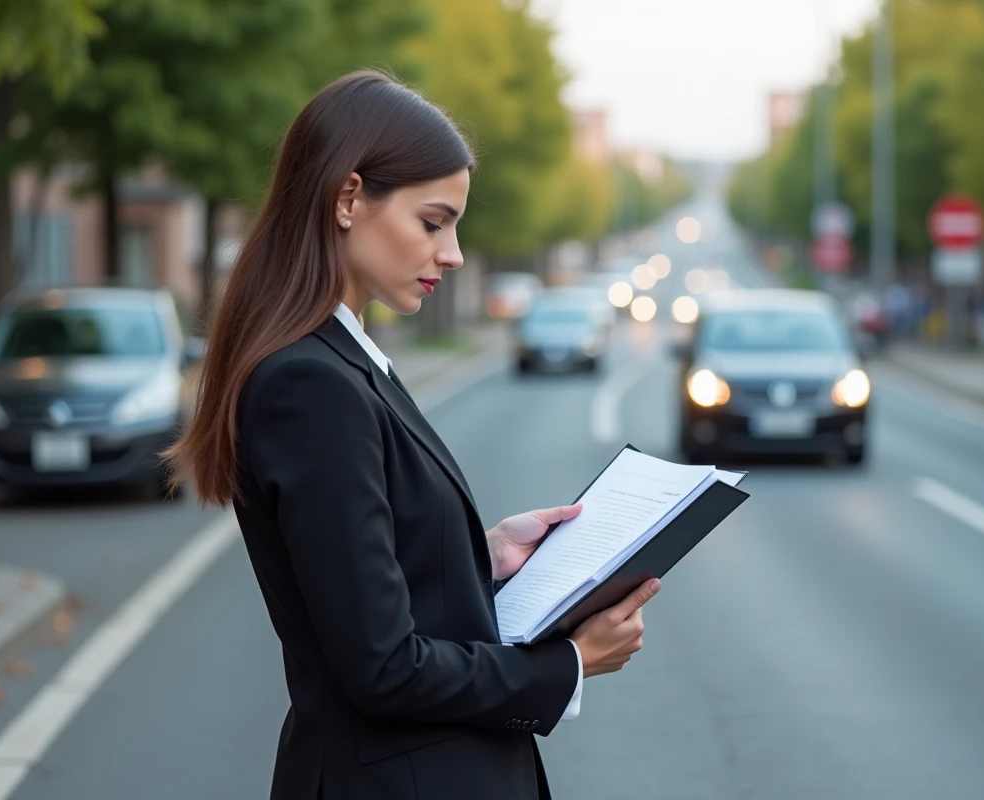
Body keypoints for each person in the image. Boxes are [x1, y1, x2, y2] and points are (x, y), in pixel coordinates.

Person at [162, 71, 659, 800]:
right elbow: (383, 666)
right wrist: (569, 663)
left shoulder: (344, 361)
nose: (452, 252)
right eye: (433, 222)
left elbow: (364, 584)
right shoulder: (312, 384)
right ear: (348, 198)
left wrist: (478, 557)